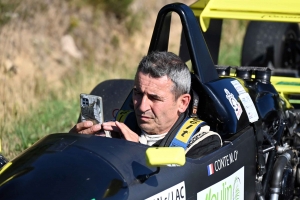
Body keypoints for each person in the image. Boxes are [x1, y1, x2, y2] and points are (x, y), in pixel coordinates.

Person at [69, 51, 222, 158]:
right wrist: (74, 145)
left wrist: (137, 151)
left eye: (154, 98)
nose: (142, 107)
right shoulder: (114, 130)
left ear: (183, 103)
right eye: (138, 93)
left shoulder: (204, 144)